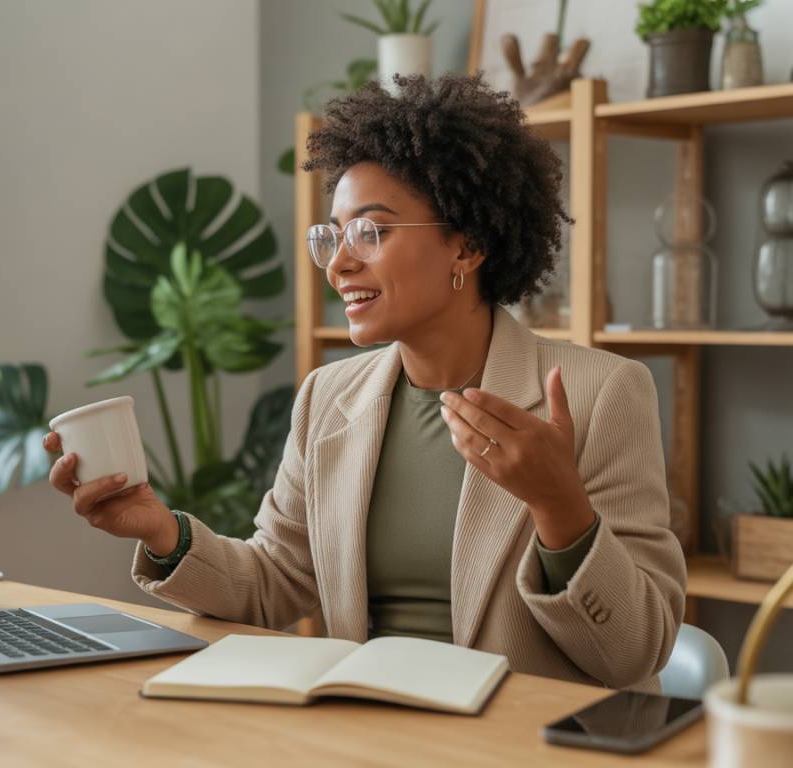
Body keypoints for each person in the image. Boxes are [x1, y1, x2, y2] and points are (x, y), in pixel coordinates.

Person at [44, 74, 685, 689]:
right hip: (368, 729)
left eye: (371, 231)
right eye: (332, 236)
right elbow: (274, 583)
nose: (340, 264)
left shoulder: (601, 393)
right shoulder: (328, 398)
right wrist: (161, 530)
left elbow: (634, 655)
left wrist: (559, 508)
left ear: (468, 246)